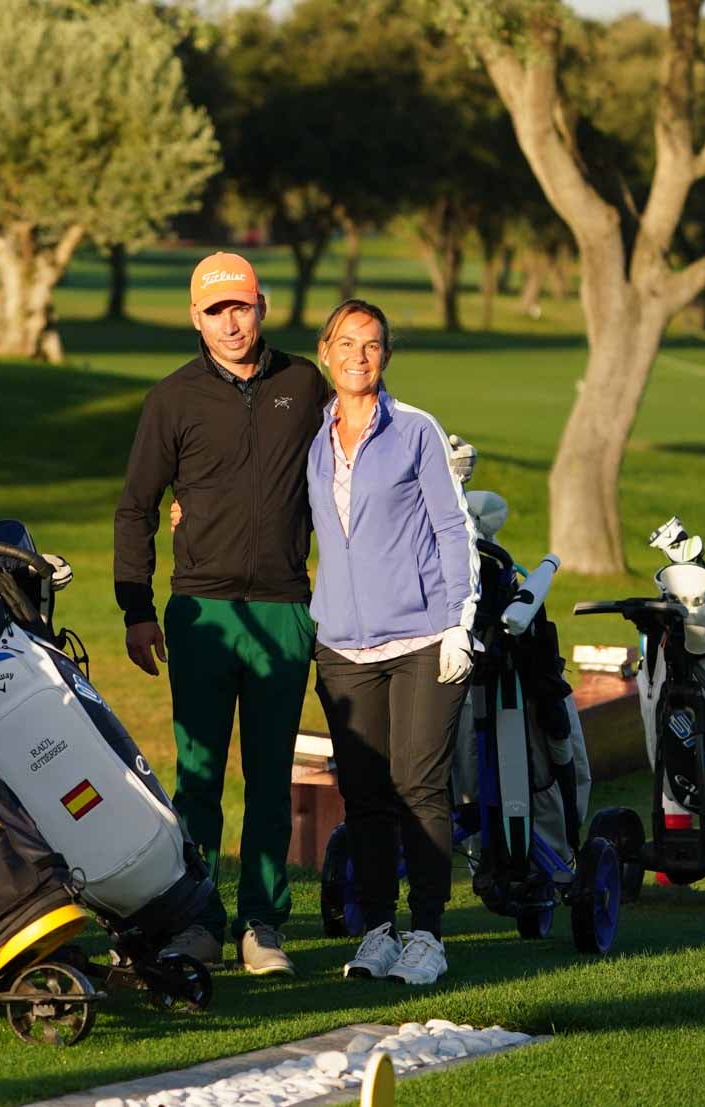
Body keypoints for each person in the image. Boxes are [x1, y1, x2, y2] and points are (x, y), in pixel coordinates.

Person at [114, 252, 327, 975]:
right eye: (215, 311)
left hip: (284, 608)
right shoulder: (172, 398)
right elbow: (138, 507)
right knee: (198, 776)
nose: (231, 322)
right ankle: (198, 916)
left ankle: (262, 921)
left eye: (241, 307)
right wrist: (135, 608)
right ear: (195, 318)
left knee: (270, 774)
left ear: (261, 306)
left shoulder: (304, 384)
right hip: (201, 611)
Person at [306, 298, 478, 987]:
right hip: (342, 648)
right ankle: (378, 930)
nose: (359, 355)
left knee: (419, 785)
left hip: (423, 638)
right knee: (368, 794)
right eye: (347, 343)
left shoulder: (414, 431)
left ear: (386, 357)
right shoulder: (312, 441)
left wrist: (461, 621)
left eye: (372, 344)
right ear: (325, 352)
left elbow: (453, 528)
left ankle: (427, 933)